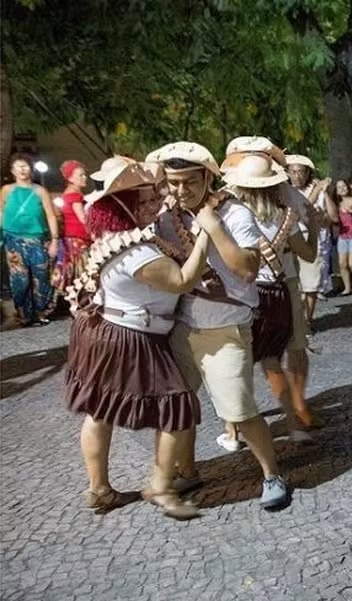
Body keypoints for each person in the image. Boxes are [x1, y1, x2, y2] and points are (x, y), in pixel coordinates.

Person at [148, 141, 289, 510]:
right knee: (179, 405)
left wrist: (211, 227)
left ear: (207, 177)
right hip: (184, 327)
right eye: (173, 182)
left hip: (227, 330)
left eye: (189, 182)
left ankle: (272, 475)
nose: (180, 190)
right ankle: (188, 470)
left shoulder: (234, 213)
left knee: (239, 411)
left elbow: (246, 269)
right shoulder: (169, 216)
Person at [65, 160, 210, 519]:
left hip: (107, 330)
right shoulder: (138, 251)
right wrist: (208, 232)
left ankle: (99, 489)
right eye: (144, 201)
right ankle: (161, 487)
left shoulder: (116, 238)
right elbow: (181, 281)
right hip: (131, 337)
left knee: (99, 411)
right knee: (177, 407)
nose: (155, 205)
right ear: (124, 207)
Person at [217, 154, 319, 450]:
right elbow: (309, 255)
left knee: (238, 365)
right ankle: (293, 426)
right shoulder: (285, 215)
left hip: (247, 295)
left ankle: (233, 433)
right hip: (279, 295)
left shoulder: (230, 215)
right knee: (273, 363)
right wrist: (313, 226)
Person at [0, 154, 60, 325]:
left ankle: (41, 312)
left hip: (37, 240)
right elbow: (1, 213)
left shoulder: (40, 191)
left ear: (31, 169)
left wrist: (54, 240)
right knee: (20, 280)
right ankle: (24, 315)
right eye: (18, 166)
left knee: (41, 278)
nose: (22, 169)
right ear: (12, 170)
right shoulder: (7, 190)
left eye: (25, 165)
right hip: (14, 241)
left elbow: (51, 216)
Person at [286, 154, 334, 324]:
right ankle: (294, 319)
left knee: (311, 284)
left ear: (307, 174)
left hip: (311, 238)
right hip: (288, 241)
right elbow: (301, 211)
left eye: (301, 172)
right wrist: (317, 189)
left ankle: (307, 320)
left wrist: (321, 218)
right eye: (293, 172)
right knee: (292, 283)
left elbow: (332, 219)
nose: (297, 176)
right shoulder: (284, 192)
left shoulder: (317, 191)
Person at [53, 160, 91, 296]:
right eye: (80, 175)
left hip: (71, 237)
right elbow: (83, 219)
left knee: (73, 271)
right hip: (78, 238)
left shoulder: (68, 193)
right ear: (70, 178)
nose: (84, 177)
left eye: (84, 175)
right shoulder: (75, 196)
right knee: (83, 272)